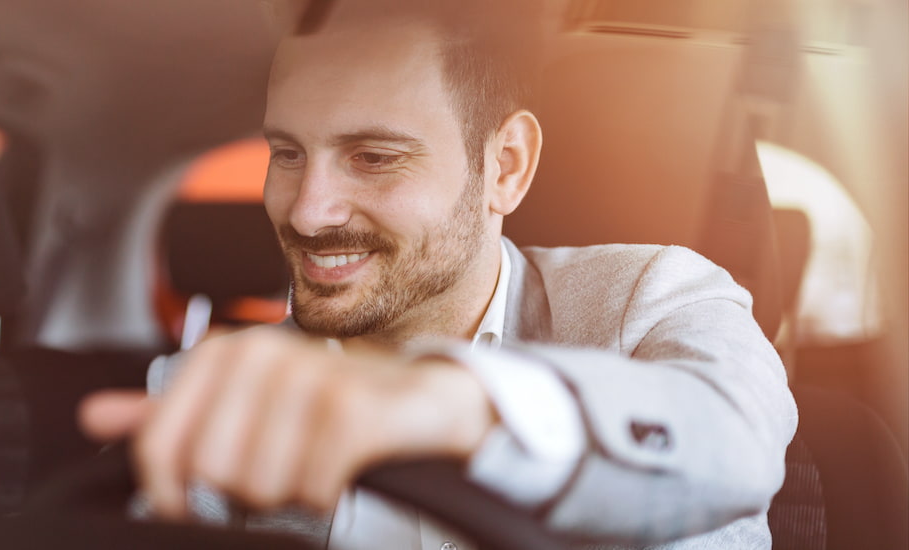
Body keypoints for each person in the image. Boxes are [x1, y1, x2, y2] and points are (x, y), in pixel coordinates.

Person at [80, 1, 798, 548]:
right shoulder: (212, 389)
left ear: (505, 166)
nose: (307, 212)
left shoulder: (649, 302)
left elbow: (734, 439)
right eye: (288, 152)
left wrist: (443, 402)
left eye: (374, 157)